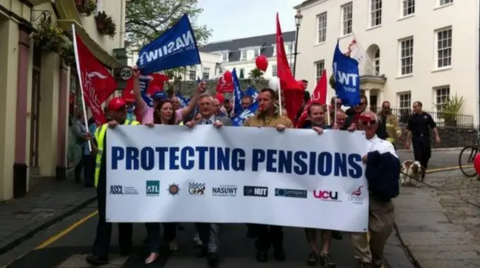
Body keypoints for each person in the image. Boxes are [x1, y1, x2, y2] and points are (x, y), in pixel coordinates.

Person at [85, 97, 141, 266]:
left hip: (126, 178)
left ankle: (126, 246)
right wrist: (90, 142)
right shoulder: (101, 130)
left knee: (124, 215)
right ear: (110, 113)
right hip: (105, 179)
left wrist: (121, 130)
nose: (123, 111)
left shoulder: (135, 126)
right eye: (118, 110)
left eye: (124, 108)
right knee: (105, 217)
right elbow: (97, 153)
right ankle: (100, 253)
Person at [243, 88, 293, 263]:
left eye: (265, 99)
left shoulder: (285, 122)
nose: (261, 102)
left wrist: (286, 134)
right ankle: (262, 248)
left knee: (276, 216)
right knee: (260, 216)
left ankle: (278, 247)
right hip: (256, 175)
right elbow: (241, 143)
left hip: (277, 176)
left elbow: (295, 147)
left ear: (273, 102)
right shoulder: (250, 121)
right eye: (259, 99)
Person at [185, 92, 232, 267]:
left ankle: (213, 250)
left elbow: (238, 141)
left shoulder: (226, 122)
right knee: (199, 214)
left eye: (208, 104)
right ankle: (205, 245)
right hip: (198, 178)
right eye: (202, 104)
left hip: (217, 178)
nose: (205, 107)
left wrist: (225, 131)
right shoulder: (193, 125)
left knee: (213, 215)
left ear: (214, 107)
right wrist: (187, 129)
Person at [351, 111, 400, 268]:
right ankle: (364, 260)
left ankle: (376, 253)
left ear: (377, 125)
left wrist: (373, 157)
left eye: (372, 122)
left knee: (383, 228)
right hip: (354, 192)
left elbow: (393, 164)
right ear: (359, 124)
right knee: (356, 228)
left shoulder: (385, 145)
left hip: (377, 194)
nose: (368, 125)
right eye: (364, 122)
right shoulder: (349, 141)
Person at [141, 99, 181, 264]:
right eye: (165, 108)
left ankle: (170, 238)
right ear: (158, 111)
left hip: (171, 178)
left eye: (170, 108)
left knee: (170, 212)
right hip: (152, 178)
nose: (168, 111)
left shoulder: (178, 129)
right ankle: (154, 249)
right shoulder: (150, 127)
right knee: (151, 214)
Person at [301, 103, 336, 268]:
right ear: (309, 116)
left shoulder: (333, 131)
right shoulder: (301, 132)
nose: (319, 116)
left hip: (327, 182)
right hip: (307, 183)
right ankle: (313, 251)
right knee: (309, 219)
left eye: (321, 113)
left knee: (327, 219)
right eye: (315, 114)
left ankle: (325, 251)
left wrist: (348, 133)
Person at [132, 67, 205, 124]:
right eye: (157, 100)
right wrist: (135, 78)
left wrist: (198, 92)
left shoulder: (174, 115)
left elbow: (190, 107)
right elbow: (138, 97)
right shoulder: (146, 110)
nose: (168, 111)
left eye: (162, 100)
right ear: (153, 101)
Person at [405, 101, 441, 178]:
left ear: (420, 107)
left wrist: (437, 136)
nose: (413, 109)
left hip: (425, 138)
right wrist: (408, 141)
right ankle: (419, 172)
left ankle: (424, 167)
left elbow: (433, 126)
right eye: (413, 107)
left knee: (427, 154)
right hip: (416, 138)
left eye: (415, 107)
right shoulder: (412, 118)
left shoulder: (427, 116)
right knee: (418, 156)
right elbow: (409, 130)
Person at [73, 111, 90, 185]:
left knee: (81, 161)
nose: (84, 116)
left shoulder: (82, 124)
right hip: (79, 145)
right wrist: (85, 136)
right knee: (79, 161)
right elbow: (78, 134)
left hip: (83, 145)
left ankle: (78, 177)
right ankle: (77, 177)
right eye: (84, 115)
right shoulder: (77, 124)